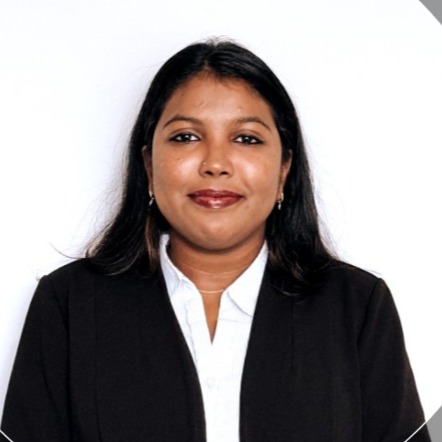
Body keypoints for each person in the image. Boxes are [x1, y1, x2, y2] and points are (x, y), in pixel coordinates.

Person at [0, 39, 430, 442]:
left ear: (284, 169)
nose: (216, 163)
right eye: (186, 136)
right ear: (148, 164)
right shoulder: (70, 304)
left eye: (246, 138)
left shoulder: (357, 306)